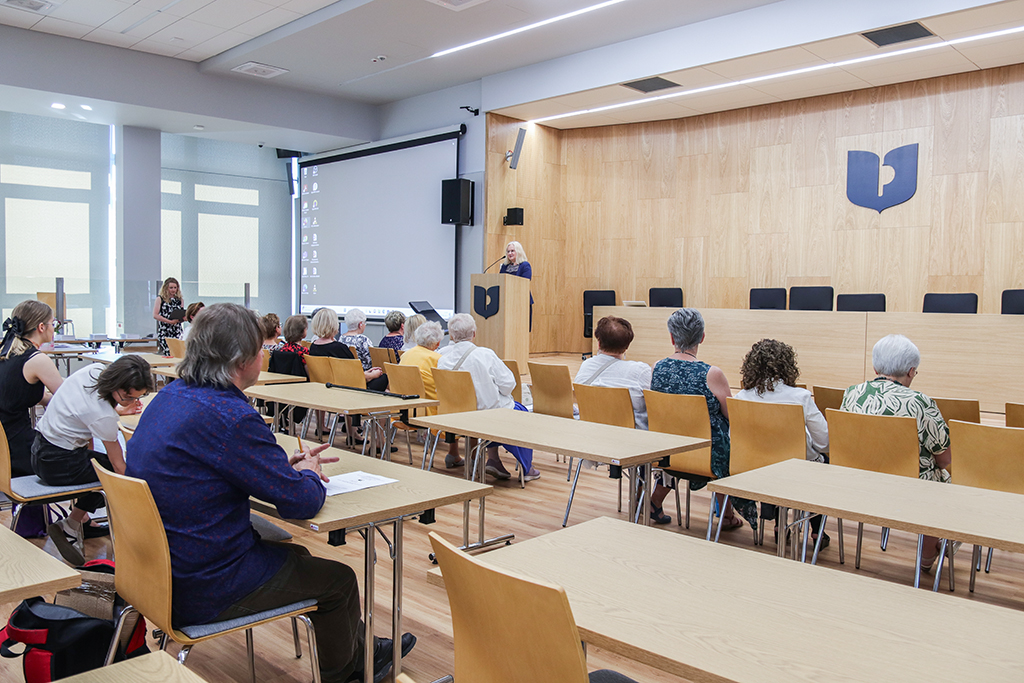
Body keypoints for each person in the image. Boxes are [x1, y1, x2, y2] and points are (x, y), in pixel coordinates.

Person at [125, 303, 415, 683]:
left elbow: (215, 469)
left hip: (156, 572)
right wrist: (308, 473)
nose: (264, 354)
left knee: (297, 556)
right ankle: (348, 674)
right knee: (338, 580)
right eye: (260, 348)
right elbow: (302, 503)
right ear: (241, 359)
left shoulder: (172, 396)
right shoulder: (232, 416)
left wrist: (278, 470)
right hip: (204, 584)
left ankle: (360, 650)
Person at [841, 334, 951, 570]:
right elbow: (944, 459)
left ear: (874, 367)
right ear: (911, 371)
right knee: (942, 479)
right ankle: (927, 557)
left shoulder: (851, 394)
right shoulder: (921, 402)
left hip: (857, 485)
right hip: (909, 492)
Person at [34, 355, 154, 565]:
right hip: (56, 463)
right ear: (117, 385)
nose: (132, 403)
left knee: (103, 465)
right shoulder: (102, 416)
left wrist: (119, 408)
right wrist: (141, 498)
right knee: (109, 475)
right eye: (127, 397)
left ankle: (76, 523)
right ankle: (71, 526)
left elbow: (88, 407)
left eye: (137, 398)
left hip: (39, 448)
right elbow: (118, 465)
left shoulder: (95, 371)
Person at [650, 308, 757, 531]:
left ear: (671, 337)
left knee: (682, 433)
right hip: (706, 456)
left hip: (668, 451)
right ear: (702, 337)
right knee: (725, 444)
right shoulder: (712, 374)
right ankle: (726, 515)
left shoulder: (657, 368)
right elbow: (733, 417)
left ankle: (654, 501)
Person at [734, 338, 829, 545]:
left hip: (755, 471)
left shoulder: (741, 397)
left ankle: (779, 525)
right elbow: (824, 443)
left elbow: (736, 440)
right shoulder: (801, 397)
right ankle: (817, 531)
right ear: (788, 366)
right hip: (797, 473)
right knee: (821, 464)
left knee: (773, 459)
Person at [574, 316, 662, 520]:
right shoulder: (639, 371)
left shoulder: (585, 368)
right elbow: (655, 405)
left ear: (598, 342)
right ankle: (647, 501)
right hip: (631, 444)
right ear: (627, 345)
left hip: (592, 440)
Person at [438, 314, 539, 481]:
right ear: (474, 333)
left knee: (492, 407)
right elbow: (508, 384)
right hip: (487, 416)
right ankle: (527, 469)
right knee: (518, 412)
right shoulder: (485, 354)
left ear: (452, 335)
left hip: (456, 416)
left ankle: (494, 460)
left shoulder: (442, 358)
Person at [0, 300, 64, 478]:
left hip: (5, 448)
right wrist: (115, 407)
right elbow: (70, 400)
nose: (54, 328)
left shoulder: (7, 355)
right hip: (19, 452)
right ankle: (76, 507)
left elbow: (40, 397)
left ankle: (32, 507)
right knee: (99, 465)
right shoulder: (37, 360)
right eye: (53, 324)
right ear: (41, 327)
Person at [399, 321, 462, 467]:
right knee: (458, 405)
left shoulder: (406, 355)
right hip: (427, 411)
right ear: (438, 342)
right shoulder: (437, 359)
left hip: (403, 410)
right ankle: (454, 454)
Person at [308, 308, 387, 392]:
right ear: (334, 325)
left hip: (325, 386)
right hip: (346, 388)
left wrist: (367, 372)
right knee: (383, 377)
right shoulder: (339, 348)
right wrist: (372, 375)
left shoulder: (313, 346)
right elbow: (354, 376)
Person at [499, 240, 533, 331]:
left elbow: (525, 281)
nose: (510, 253)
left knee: (520, 329)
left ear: (518, 251)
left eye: (512, 251)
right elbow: (500, 281)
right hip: (507, 302)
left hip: (521, 302)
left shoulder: (525, 265)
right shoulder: (505, 266)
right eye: (508, 251)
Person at [152, 277, 185, 356]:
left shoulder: (180, 300)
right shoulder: (160, 299)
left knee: (178, 352)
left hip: (176, 329)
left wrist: (182, 319)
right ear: (166, 288)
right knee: (168, 352)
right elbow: (155, 315)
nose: (173, 290)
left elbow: (181, 313)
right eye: (171, 288)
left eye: (175, 288)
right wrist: (169, 321)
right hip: (165, 330)